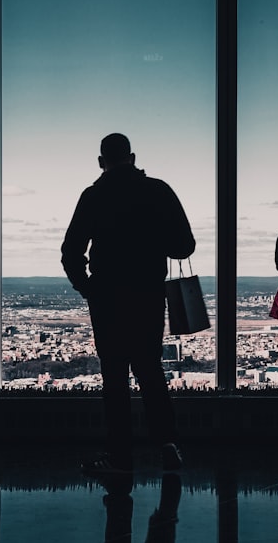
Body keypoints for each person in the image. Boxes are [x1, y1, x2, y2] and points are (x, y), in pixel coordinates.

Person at [61, 133, 196, 474]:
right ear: (133, 158)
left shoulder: (93, 196)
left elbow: (71, 251)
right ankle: (168, 445)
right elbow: (184, 246)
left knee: (114, 377)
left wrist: (87, 287)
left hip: (106, 296)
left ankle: (119, 456)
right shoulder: (158, 191)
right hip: (148, 294)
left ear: (101, 162)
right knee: (150, 371)